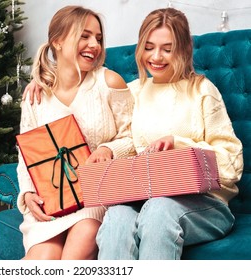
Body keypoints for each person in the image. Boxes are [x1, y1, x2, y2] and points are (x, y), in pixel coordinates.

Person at [96, 7, 244, 259]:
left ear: (184, 49)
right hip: (143, 198)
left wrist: (179, 145)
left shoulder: (202, 90)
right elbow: (128, 141)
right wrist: (108, 148)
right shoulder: (132, 91)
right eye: (149, 46)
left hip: (207, 204)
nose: (156, 57)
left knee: (159, 209)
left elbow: (232, 162)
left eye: (167, 48)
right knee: (117, 216)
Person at [16, 5, 135, 260]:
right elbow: (25, 156)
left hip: (97, 199)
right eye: (85, 36)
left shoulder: (109, 82)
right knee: (41, 260)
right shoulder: (35, 96)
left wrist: (108, 149)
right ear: (57, 41)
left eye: (99, 39)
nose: (94, 44)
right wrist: (26, 194)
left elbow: (135, 137)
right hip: (51, 204)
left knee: (72, 259)